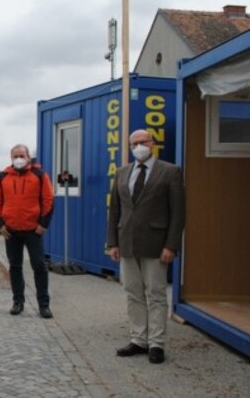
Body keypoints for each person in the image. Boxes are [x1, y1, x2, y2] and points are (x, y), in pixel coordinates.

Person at [107, 129, 185, 364]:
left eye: (143, 142)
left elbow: (178, 213)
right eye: (134, 143)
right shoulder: (121, 173)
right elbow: (115, 211)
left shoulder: (170, 171)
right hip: (127, 242)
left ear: (153, 144)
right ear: (130, 147)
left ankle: (156, 344)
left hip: (156, 244)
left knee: (156, 294)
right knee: (133, 293)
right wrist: (113, 242)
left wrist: (171, 245)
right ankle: (138, 339)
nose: (139, 146)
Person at [0, 144, 55, 318]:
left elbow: (48, 200)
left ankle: (44, 305)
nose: (18, 159)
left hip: (32, 230)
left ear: (28, 157)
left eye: (22, 155)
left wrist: (43, 224)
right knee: (14, 267)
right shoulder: (3, 176)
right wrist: (0, 224)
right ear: (11, 158)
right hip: (11, 230)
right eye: (15, 156)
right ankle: (18, 301)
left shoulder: (39, 175)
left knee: (39, 266)